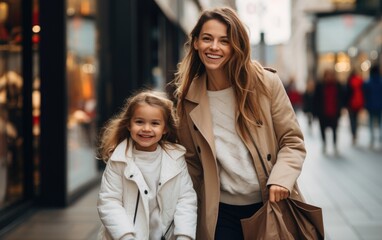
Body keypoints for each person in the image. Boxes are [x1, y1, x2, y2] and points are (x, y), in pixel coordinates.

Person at [173, 7, 306, 239]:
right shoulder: (188, 98)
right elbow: (191, 162)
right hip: (220, 212)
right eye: (207, 38)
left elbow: (292, 141)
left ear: (237, 46)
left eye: (224, 41)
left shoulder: (266, 84)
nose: (214, 47)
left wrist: (281, 180)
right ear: (195, 43)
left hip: (269, 204)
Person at [96, 90, 197, 240]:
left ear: (165, 129)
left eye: (155, 123)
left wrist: (184, 236)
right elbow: (109, 202)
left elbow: (186, 199)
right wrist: (125, 236)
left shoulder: (176, 158)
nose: (146, 129)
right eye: (139, 122)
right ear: (129, 125)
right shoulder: (118, 160)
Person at [313, 69, 344, 155]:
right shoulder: (319, 86)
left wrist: (340, 109)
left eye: (331, 75)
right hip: (323, 113)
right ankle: (324, 144)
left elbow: (341, 98)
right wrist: (315, 113)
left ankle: (334, 145)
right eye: (327, 75)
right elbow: (316, 100)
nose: (329, 77)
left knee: (335, 130)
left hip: (334, 112)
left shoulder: (337, 85)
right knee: (322, 129)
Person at [363, 65, 382, 148]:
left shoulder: (368, 82)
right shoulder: (381, 82)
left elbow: (365, 94)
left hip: (370, 105)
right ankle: (380, 138)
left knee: (371, 123)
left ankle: (372, 139)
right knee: (380, 122)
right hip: (380, 105)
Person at [345, 70, 364, 145]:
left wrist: (346, 104)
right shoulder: (360, 81)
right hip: (358, 103)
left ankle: (353, 133)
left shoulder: (349, 82)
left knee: (352, 119)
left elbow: (347, 94)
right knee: (356, 118)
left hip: (351, 104)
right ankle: (355, 132)